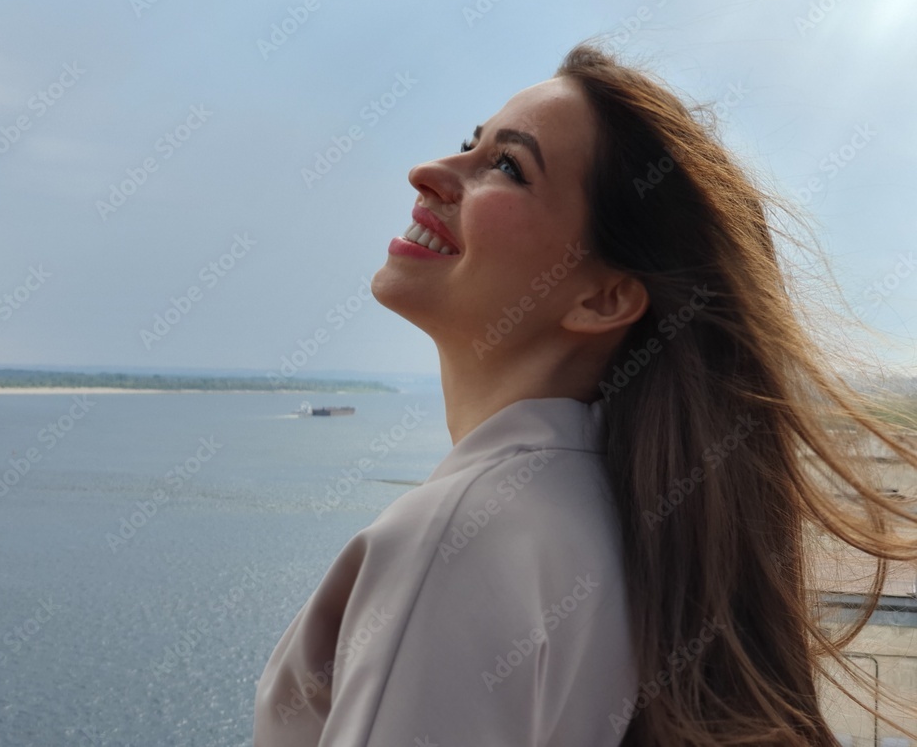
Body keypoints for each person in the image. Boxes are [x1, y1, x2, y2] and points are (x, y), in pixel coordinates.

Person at [253, 41, 917, 745]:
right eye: (467, 144)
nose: (429, 172)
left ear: (604, 299)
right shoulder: (622, 527)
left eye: (506, 166)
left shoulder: (460, 540)